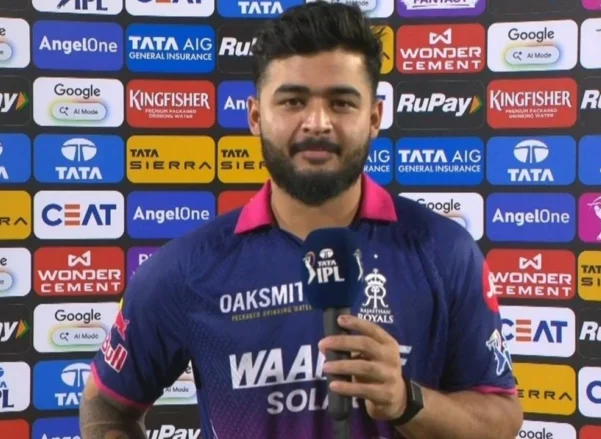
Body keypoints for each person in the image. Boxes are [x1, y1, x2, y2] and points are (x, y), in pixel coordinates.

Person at [79, 3, 524, 438]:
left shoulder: (443, 252)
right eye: (293, 101)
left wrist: (408, 401)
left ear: (374, 118)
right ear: (256, 116)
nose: (317, 123)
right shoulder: (189, 267)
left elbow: (501, 418)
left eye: (342, 103)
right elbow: (106, 407)